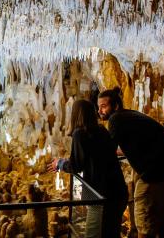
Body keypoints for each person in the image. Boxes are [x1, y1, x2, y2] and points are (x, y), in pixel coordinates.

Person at [97, 87, 164, 238]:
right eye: (99, 106)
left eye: (104, 106)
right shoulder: (130, 115)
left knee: (144, 220)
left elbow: (108, 150)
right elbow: (136, 144)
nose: (100, 111)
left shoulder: (115, 119)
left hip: (157, 173)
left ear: (116, 106)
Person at [48, 100, 128, 238]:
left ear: (75, 114)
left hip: (101, 197)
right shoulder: (101, 130)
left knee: (93, 234)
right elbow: (95, 156)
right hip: (119, 191)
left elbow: (76, 165)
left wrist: (60, 164)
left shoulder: (80, 134)